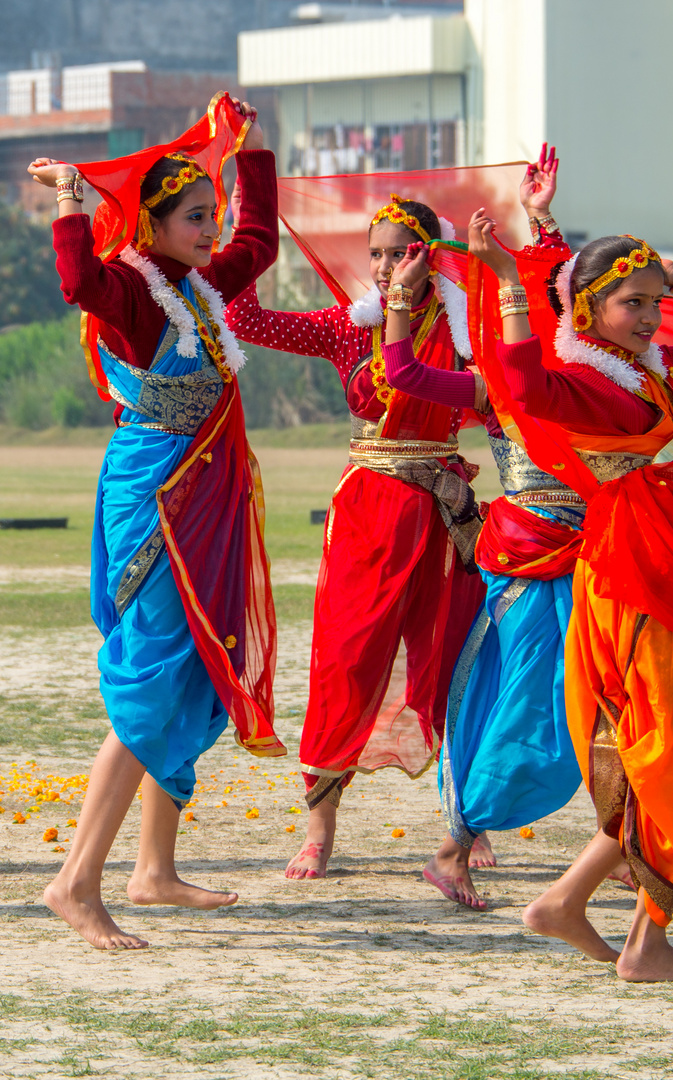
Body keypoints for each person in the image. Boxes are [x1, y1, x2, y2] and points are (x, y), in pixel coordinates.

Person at [470, 209, 673, 980]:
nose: (646, 315)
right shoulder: (586, 385)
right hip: (645, 580)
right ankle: (641, 941)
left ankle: (579, 907)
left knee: (670, 754)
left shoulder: (656, 374)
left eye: (652, 301)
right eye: (629, 302)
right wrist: (510, 284)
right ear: (587, 311)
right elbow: (520, 382)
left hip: (670, 570)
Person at [26, 94, 282, 950]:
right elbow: (76, 282)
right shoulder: (136, 296)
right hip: (158, 500)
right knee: (155, 671)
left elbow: (262, 242)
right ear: (155, 224)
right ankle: (75, 881)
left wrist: (248, 152)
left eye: (212, 213)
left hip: (207, 497)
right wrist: (69, 197)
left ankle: (153, 870)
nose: (213, 229)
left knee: (198, 667)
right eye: (195, 217)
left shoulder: (200, 286)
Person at [225, 189, 487, 882]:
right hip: (370, 510)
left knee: (453, 658)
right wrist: (241, 227)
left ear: (431, 253)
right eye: (375, 253)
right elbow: (243, 317)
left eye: (399, 251)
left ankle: (468, 818)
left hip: (443, 508)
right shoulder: (348, 327)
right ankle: (319, 827)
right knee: (347, 659)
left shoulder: (469, 328)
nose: (383, 265)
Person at [376, 148, 583, 910]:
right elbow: (404, 375)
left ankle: (624, 841)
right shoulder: (499, 381)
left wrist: (542, 218)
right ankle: (453, 847)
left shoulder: (595, 378)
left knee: (613, 693)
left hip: (599, 555)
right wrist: (402, 300)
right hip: (530, 555)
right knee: (534, 696)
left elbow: (556, 287)